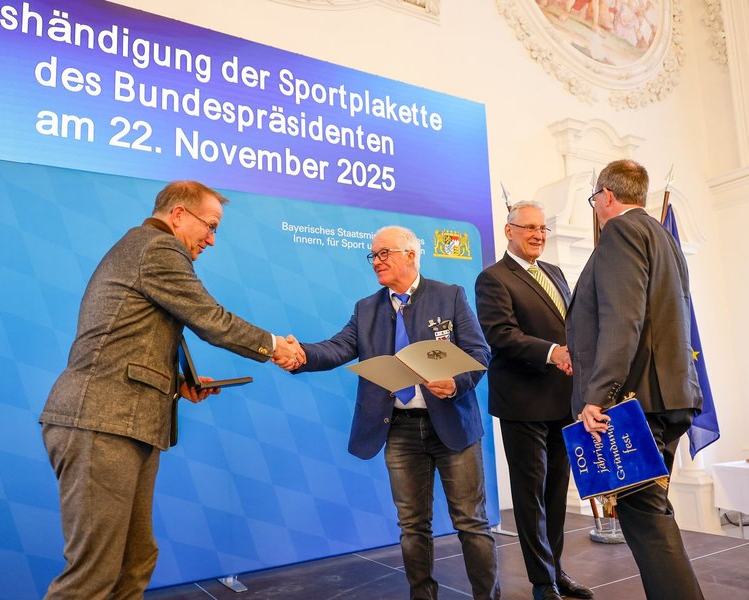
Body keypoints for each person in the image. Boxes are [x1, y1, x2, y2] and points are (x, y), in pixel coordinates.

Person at [39, 180, 304, 599]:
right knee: (93, 574)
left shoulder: (144, 250)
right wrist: (274, 346)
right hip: (102, 422)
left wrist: (179, 385)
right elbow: (211, 319)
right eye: (211, 226)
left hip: (125, 423)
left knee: (135, 559)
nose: (212, 240)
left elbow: (131, 341)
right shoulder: (158, 248)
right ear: (178, 214)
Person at [293, 225, 500, 600]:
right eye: (373, 255)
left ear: (411, 255)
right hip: (400, 431)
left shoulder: (450, 295)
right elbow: (337, 348)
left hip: (453, 424)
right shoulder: (366, 308)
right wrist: (301, 354)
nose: (376, 261)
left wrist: (457, 382)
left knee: (471, 522)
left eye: (384, 253)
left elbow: (478, 351)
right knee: (412, 525)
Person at [566, 160, 704, 600]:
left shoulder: (621, 232)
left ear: (607, 196)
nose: (596, 208)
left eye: (595, 199)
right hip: (670, 394)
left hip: (636, 401)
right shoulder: (662, 236)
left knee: (646, 519)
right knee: (651, 513)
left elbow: (623, 320)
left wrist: (597, 394)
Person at [475, 202, 593, 600]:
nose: (538, 235)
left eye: (542, 228)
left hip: (564, 399)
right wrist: (553, 353)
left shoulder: (555, 272)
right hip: (522, 402)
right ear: (509, 231)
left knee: (556, 493)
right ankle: (542, 582)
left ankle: (557, 571)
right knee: (530, 496)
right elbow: (501, 334)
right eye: (529, 227)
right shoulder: (492, 278)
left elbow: (570, 326)